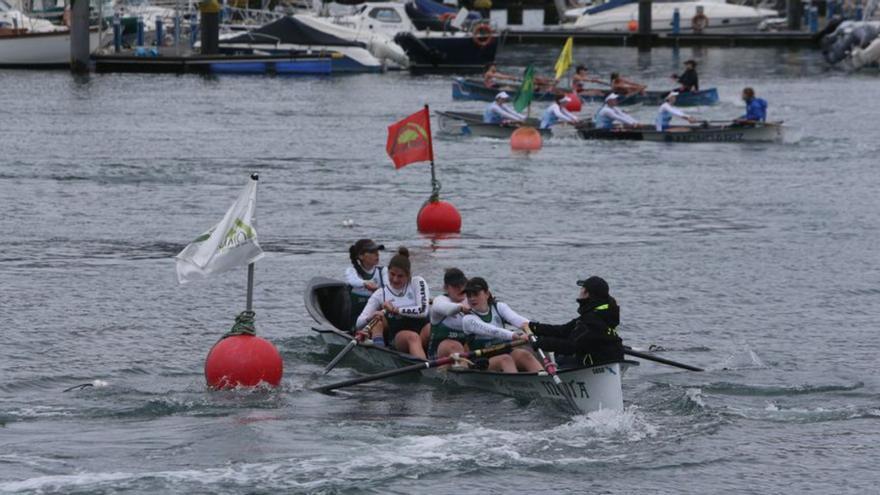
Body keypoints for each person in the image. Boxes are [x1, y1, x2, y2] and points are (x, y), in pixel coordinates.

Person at [528, 276, 624, 368]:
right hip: (614, 358)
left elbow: (571, 346)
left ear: (587, 293)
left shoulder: (591, 320)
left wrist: (541, 343)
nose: (580, 291)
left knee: (560, 357)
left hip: (597, 364)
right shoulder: (603, 314)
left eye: (582, 288)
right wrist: (533, 327)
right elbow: (563, 331)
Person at [355, 247, 429, 360]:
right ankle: (424, 370)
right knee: (412, 337)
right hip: (400, 337)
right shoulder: (381, 293)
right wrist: (371, 316)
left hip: (422, 331)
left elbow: (422, 312)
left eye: (400, 276)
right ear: (388, 271)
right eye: (392, 274)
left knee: (433, 328)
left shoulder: (417, 282)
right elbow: (358, 323)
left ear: (409, 275)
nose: (395, 279)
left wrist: (395, 310)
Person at [462, 277, 543, 373]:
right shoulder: (468, 319)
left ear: (487, 294)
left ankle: (545, 378)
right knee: (505, 359)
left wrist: (537, 330)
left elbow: (519, 320)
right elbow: (492, 330)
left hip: (504, 352)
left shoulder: (499, 307)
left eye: (476, 294)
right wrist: (515, 336)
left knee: (524, 354)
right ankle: (516, 385)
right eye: (469, 295)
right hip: (481, 360)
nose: (472, 299)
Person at [427, 268, 471, 359]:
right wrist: (461, 308)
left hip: (465, 351)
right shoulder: (439, 301)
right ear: (446, 288)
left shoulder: (472, 301)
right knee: (455, 346)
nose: (461, 288)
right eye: (455, 286)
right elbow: (448, 310)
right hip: (437, 354)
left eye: (463, 284)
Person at [345, 239, 386, 328]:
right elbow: (352, 281)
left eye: (377, 251)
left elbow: (388, 287)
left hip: (377, 317)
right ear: (361, 256)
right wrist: (365, 283)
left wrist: (378, 290)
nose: (377, 254)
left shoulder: (383, 271)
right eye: (372, 252)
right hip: (355, 321)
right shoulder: (352, 271)